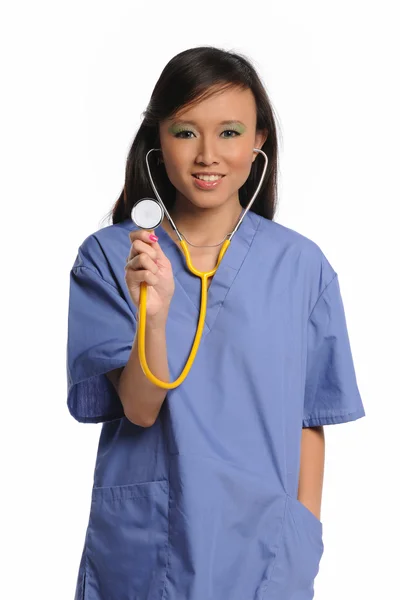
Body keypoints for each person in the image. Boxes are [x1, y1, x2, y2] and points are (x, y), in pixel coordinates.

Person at [67, 46, 366, 600]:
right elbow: (139, 406)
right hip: (148, 542)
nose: (208, 155)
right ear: (159, 139)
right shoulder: (112, 258)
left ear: (260, 141)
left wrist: (302, 535)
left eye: (229, 132)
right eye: (186, 132)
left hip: (265, 553)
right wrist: (153, 317)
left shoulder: (302, 266)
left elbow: (309, 418)